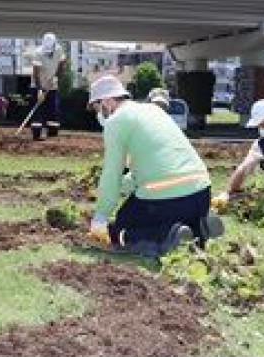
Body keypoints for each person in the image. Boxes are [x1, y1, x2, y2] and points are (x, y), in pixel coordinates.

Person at [86, 74, 223, 257]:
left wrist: (100, 216)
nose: (98, 114)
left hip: (170, 198)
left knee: (121, 227)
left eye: (97, 107)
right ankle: (198, 227)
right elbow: (142, 172)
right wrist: (119, 189)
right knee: (155, 208)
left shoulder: (115, 122)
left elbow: (112, 173)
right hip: (201, 193)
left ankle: (168, 236)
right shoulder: (153, 111)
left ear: (107, 102)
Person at [30, 32, 66, 141]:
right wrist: (40, 89)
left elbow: (62, 64)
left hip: (52, 86)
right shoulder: (38, 53)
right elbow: (36, 73)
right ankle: (36, 135)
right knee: (38, 110)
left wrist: (57, 77)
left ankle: (52, 135)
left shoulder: (59, 50)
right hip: (38, 85)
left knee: (53, 109)